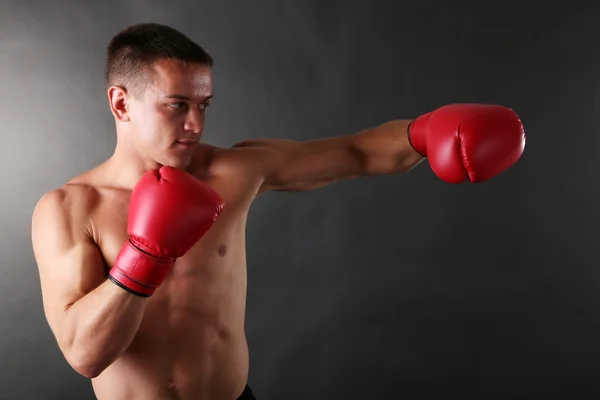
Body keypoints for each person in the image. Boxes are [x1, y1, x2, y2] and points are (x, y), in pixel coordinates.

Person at [30, 22, 525, 400]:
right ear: (121, 104)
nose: (196, 123)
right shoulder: (70, 208)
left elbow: (357, 152)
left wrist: (428, 130)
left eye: (205, 104)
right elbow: (84, 354)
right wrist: (143, 255)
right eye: (176, 105)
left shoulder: (233, 172)